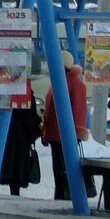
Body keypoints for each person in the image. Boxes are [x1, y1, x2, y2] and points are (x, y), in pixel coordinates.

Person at [42, 50, 96, 200]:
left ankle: (65, 196)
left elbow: (78, 110)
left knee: (64, 169)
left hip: (65, 134)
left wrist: (77, 132)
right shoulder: (60, 81)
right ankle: (61, 195)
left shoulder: (73, 83)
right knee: (59, 170)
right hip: (56, 134)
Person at [0, 82, 42, 196]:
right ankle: (15, 189)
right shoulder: (24, 94)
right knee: (18, 165)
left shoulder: (15, 91)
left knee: (14, 164)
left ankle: (14, 188)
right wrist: (37, 129)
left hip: (13, 133)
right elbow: (27, 116)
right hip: (21, 137)